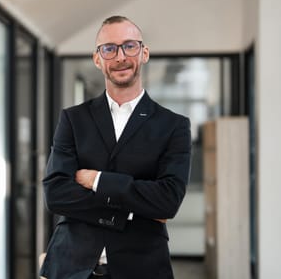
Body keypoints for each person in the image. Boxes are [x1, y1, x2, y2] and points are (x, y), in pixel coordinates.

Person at [39, 16, 191, 279]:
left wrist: (96, 179)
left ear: (144, 53)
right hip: (72, 266)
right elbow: (55, 194)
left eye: (129, 46)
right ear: (98, 59)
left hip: (142, 267)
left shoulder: (173, 125)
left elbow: (168, 201)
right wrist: (133, 208)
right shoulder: (74, 119)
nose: (120, 56)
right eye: (109, 48)